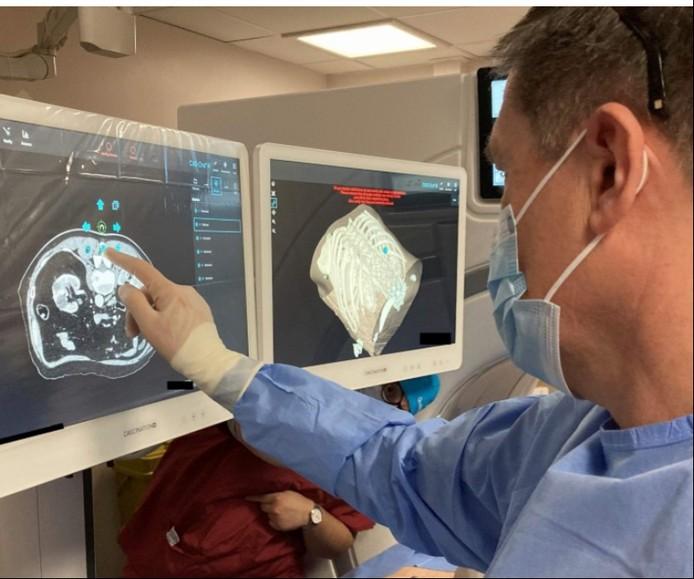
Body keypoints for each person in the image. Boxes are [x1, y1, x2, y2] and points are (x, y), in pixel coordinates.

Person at [107, 7, 692, 578]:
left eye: (511, 174)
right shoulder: (572, 436)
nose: (508, 219)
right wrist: (216, 365)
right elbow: (406, 466)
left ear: (609, 169)